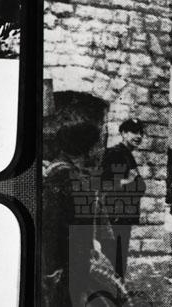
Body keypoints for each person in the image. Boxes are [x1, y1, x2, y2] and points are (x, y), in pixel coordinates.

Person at [43, 112, 100, 306]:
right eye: (93, 145)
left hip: (74, 255)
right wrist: (53, 265)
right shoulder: (64, 175)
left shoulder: (65, 171)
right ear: (84, 147)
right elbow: (52, 223)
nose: (96, 151)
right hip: (67, 260)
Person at [98, 118, 147, 281]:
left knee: (119, 261)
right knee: (113, 260)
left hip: (123, 215)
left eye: (140, 133)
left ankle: (116, 292)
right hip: (114, 216)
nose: (138, 136)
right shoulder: (115, 153)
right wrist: (130, 182)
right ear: (123, 133)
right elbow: (103, 184)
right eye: (134, 132)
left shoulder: (127, 154)